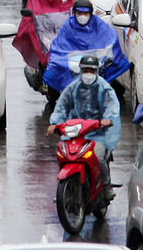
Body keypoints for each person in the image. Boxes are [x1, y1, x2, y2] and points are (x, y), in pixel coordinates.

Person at [47, 53, 121, 190]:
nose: (88, 74)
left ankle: (105, 186)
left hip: (97, 133)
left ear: (97, 71)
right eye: (86, 71)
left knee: (98, 157)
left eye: (92, 71)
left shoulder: (104, 88)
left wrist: (108, 119)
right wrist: (54, 123)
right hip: (76, 132)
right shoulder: (72, 88)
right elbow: (61, 106)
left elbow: (112, 105)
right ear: (80, 70)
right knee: (63, 154)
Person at [43, 0, 129, 94]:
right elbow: (59, 45)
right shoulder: (68, 26)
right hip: (74, 66)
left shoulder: (98, 24)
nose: (82, 16)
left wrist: (106, 53)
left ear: (91, 13)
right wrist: (58, 59)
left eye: (86, 13)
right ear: (74, 13)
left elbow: (111, 37)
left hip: (95, 63)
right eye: (79, 13)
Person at [13, 0, 75, 73]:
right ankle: (41, 70)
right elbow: (32, 7)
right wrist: (33, 17)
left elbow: (70, 5)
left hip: (60, 29)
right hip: (43, 30)